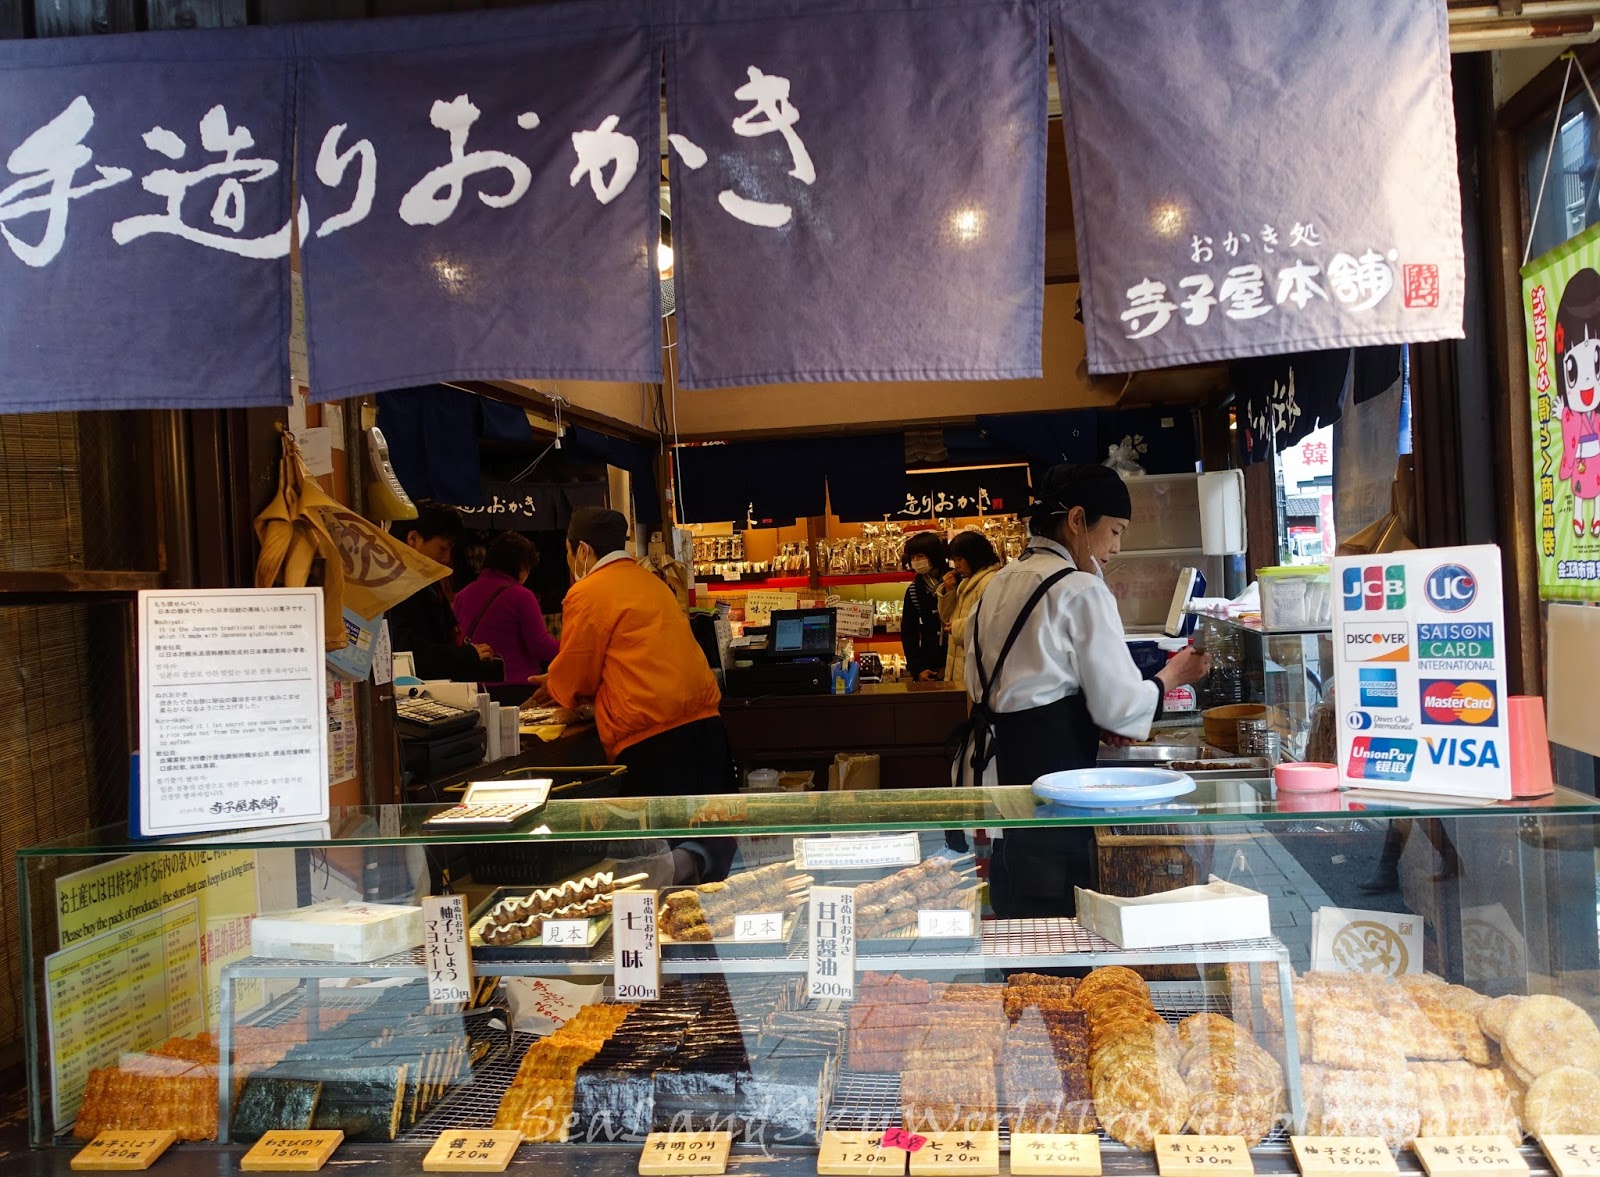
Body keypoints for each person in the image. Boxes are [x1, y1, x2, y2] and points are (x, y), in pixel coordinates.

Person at [951, 463, 1211, 917]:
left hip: (996, 771)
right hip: (1055, 780)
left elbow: (1006, 682)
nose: (1116, 547)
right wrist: (1174, 674)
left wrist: (1094, 716)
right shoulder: (1081, 590)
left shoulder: (996, 584)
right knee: (1061, 907)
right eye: (1114, 530)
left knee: (1016, 899)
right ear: (1076, 520)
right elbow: (1121, 708)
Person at [529, 507, 736, 880]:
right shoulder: (651, 582)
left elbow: (576, 677)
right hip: (706, 728)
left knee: (655, 860)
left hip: (653, 739)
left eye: (568, 551)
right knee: (704, 840)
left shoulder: (588, 592)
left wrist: (554, 683)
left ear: (582, 550)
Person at [386, 504, 501, 681]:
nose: (447, 558)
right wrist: (464, 655)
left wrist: (467, 653)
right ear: (413, 539)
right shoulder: (392, 582)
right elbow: (404, 647)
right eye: (442, 548)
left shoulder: (429, 582)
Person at [452, 531, 559, 694]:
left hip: (472, 689)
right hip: (514, 688)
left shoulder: (461, 595)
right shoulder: (521, 595)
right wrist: (572, 648)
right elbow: (540, 646)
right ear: (522, 566)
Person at [938, 529, 1001, 686]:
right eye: (954, 560)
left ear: (974, 557)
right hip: (959, 669)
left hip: (975, 673)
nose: (956, 565)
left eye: (960, 559)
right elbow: (946, 618)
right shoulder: (966, 583)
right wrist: (948, 591)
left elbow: (991, 624)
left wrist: (957, 628)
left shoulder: (990, 582)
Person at [901, 531, 950, 681]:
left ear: (934, 555)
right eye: (912, 558)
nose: (916, 561)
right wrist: (918, 668)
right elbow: (909, 633)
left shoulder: (955, 581)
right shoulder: (914, 590)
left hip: (958, 657)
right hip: (929, 663)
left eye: (920, 556)